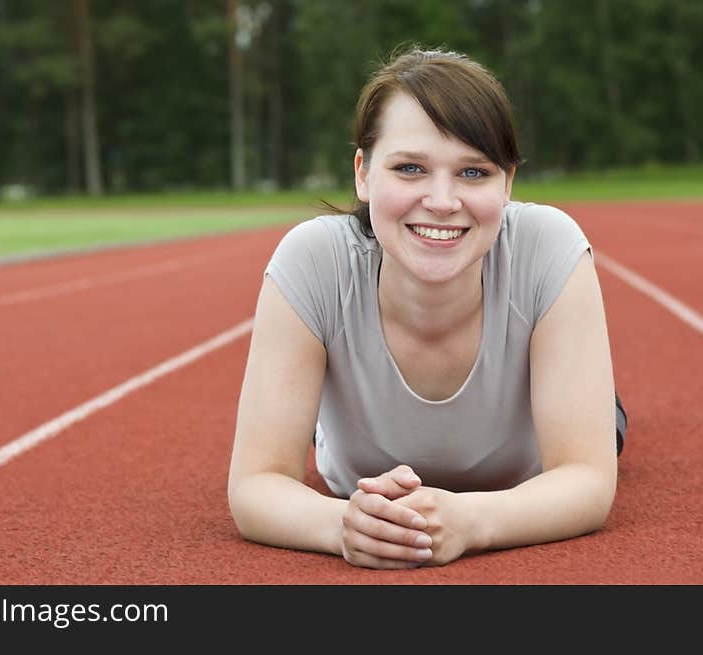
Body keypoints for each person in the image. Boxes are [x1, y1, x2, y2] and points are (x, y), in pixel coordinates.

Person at [227, 45, 627, 569]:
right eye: (411, 167)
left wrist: (470, 522)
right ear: (363, 174)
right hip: (373, 487)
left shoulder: (549, 246)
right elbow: (256, 482)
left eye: (473, 173)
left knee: (602, 427)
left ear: (508, 182)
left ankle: (599, 403)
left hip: (523, 471)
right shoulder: (313, 260)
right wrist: (341, 525)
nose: (442, 200)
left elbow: (588, 481)